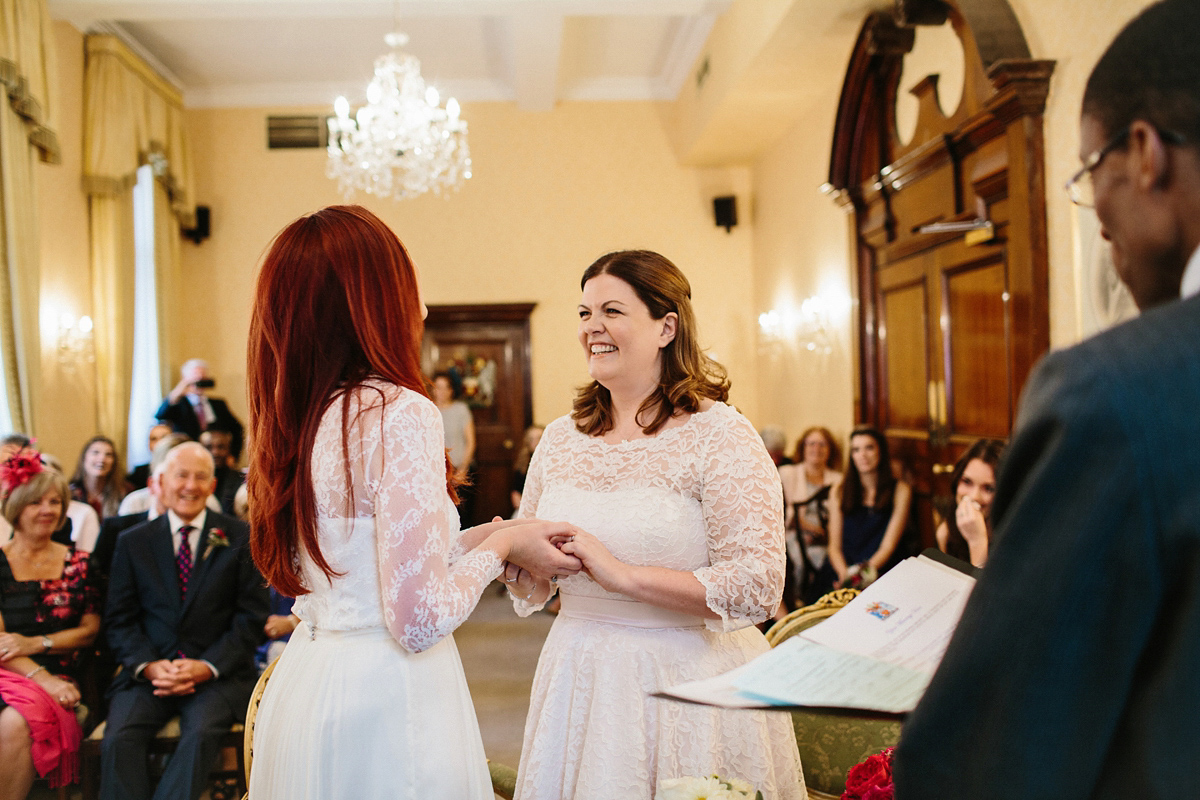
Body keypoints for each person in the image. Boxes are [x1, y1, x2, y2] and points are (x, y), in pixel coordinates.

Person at [894, 3, 1200, 797]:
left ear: (1142, 154)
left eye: (1085, 172)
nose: (1097, 220)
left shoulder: (1119, 390)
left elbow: (990, 748)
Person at [243, 205, 582, 799]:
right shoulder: (400, 414)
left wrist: (491, 537)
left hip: (310, 683)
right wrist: (502, 543)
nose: (421, 308)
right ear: (371, 303)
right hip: (384, 697)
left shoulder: (299, 415)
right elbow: (418, 619)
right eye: (409, 286)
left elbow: (378, 556)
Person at [505, 250, 803, 799]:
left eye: (613, 311)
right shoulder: (560, 438)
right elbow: (536, 575)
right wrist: (516, 557)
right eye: (584, 312)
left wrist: (624, 575)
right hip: (581, 673)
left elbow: (760, 586)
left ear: (666, 327)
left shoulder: (720, 435)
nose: (593, 327)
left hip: (687, 681)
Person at [100, 442, 269, 800]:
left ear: (211, 485)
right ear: (161, 481)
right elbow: (120, 619)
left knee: (201, 733)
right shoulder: (133, 542)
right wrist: (149, 667)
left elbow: (250, 619)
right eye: (182, 475)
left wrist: (206, 666)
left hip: (216, 676)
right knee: (120, 737)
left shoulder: (239, 538)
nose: (190, 485)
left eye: (200, 477)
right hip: (149, 674)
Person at [0, 451, 100, 794]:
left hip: (64, 675)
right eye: (36, 502)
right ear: (15, 507)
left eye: (55, 502)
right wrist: (41, 678)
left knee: (16, 722)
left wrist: (36, 644)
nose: (47, 510)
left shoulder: (81, 564)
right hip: (9, 672)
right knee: (13, 717)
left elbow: (89, 631)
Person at [825, 427, 911, 589]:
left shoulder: (900, 490)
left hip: (881, 565)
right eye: (856, 450)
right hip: (843, 565)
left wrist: (861, 576)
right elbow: (834, 546)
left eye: (869, 448)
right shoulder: (839, 490)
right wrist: (846, 575)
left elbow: (888, 546)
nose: (862, 455)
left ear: (881, 451)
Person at [777, 426, 842, 611]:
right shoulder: (788, 473)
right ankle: (801, 602)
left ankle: (822, 605)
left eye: (822, 444)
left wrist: (824, 534)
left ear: (830, 450)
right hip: (793, 532)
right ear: (803, 448)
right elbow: (787, 513)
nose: (816, 448)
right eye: (811, 443)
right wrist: (811, 530)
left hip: (828, 535)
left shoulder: (838, 479)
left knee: (828, 558)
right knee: (801, 556)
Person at [155, 360, 245, 462]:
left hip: (216, 459)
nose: (199, 381)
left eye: (202, 377)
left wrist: (233, 455)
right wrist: (177, 392)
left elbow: (237, 428)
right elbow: (160, 416)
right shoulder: (179, 404)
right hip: (187, 456)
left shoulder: (218, 404)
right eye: (195, 377)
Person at [933, 439, 1004, 568]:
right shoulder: (946, 533)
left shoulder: (1015, 536)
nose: (974, 496)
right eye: (967, 481)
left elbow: (988, 588)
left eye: (988, 488)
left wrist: (977, 542)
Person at [431, 371, 477, 524]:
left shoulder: (460, 409)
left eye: (445, 388)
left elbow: (471, 441)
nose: (441, 392)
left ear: (451, 390)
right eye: (438, 387)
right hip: (437, 472)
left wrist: (463, 469)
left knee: (462, 516)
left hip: (459, 469)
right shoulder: (429, 409)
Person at [68, 436, 126, 520]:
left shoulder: (123, 493)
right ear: (84, 458)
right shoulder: (70, 494)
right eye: (95, 452)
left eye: (108, 454)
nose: (102, 459)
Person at [125, 424, 171, 491]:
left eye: (164, 438)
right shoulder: (138, 474)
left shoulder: (184, 469)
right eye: (153, 439)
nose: (159, 442)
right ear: (148, 444)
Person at [510, 424, 544, 514]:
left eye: (539, 438)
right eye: (531, 439)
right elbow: (516, 493)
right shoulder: (522, 465)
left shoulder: (555, 462)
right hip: (528, 509)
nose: (536, 442)